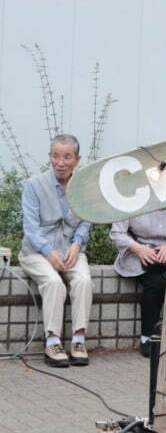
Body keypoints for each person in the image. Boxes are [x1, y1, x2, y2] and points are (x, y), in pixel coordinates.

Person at [18, 134, 94, 367]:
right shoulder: (33, 185)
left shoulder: (83, 186)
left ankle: (79, 340)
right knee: (53, 282)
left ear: (77, 159)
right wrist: (48, 251)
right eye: (55, 156)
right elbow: (30, 227)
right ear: (50, 156)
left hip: (70, 248)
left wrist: (76, 243)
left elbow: (86, 219)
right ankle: (52, 341)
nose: (60, 162)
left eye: (67, 157)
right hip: (36, 251)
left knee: (83, 280)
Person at [110, 209, 166, 386]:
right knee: (156, 283)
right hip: (138, 254)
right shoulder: (131, 199)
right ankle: (147, 336)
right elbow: (116, 233)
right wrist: (139, 249)